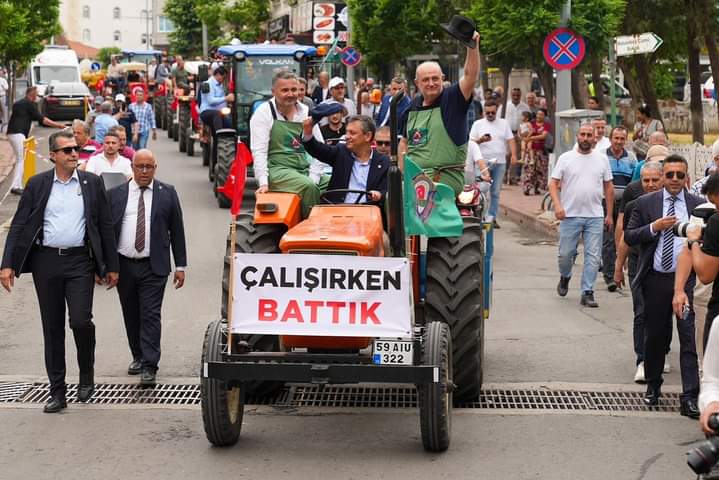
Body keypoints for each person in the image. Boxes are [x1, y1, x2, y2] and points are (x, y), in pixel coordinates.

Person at [0, 130, 119, 413]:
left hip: (80, 262)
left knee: (80, 321)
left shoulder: (91, 183)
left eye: (76, 149)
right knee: (52, 327)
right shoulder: (38, 184)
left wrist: (112, 266)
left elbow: (105, 226)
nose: (74, 154)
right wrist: (7, 264)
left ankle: (86, 373)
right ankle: (57, 391)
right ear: (53, 155)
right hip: (46, 262)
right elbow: (19, 224)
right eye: (67, 150)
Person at [624, 154, 701, 417]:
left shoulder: (697, 205)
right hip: (656, 279)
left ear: (687, 177)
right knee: (656, 336)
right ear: (663, 177)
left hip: (687, 282)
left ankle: (690, 396)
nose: (675, 179)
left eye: (680, 175)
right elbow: (629, 236)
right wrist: (654, 227)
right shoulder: (645, 203)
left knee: (688, 337)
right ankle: (653, 385)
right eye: (670, 175)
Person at [109, 150, 187, 386]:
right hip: (124, 265)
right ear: (132, 167)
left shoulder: (167, 193)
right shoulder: (116, 194)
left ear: (155, 168)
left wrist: (180, 265)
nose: (144, 171)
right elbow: (106, 231)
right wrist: (104, 266)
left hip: (154, 266)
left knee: (150, 314)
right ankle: (138, 356)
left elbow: (177, 230)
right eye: (140, 166)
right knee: (131, 313)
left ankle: (150, 365)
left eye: (148, 167)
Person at [398, 31, 480, 216]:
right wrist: (402, 176)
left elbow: (470, 76)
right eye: (426, 80)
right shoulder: (411, 108)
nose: (431, 83)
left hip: (443, 182)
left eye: (435, 78)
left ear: (442, 79)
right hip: (414, 181)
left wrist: (472, 46)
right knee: (389, 201)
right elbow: (404, 143)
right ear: (417, 83)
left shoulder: (452, 99)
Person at [550, 123, 614, 308]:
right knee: (565, 254)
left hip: (595, 215)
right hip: (570, 215)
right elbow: (553, 183)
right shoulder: (566, 158)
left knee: (593, 256)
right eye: (583, 134)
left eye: (589, 135)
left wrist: (609, 214)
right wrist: (558, 206)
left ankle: (587, 291)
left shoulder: (601, 159)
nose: (586, 138)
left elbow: (608, 187)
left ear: (594, 138)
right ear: (577, 136)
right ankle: (565, 276)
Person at [250, 70, 327, 218]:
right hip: (277, 170)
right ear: (273, 91)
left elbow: (320, 149)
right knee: (308, 187)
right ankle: (310, 227)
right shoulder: (263, 113)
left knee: (338, 182)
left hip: (303, 168)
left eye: (294, 90)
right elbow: (259, 151)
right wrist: (263, 183)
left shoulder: (306, 112)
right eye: (285, 90)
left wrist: (314, 175)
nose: (290, 94)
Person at [614, 161, 664, 383]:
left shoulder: (672, 205)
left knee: (662, 313)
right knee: (641, 311)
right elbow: (626, 237)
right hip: (638, 262)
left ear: (663, 180)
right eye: (646, 180)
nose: (651, 184)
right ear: (640, 181)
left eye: (655, 180)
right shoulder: (635, 205)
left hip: (664, 264)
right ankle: (642, 361)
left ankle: (660, 352)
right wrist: (618, 266)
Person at [302, 115, 388, 205]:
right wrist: (308, 133)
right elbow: (318, 150)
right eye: (346, 132)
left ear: (368, 136)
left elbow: (386, 190)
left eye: (352, 133)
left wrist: (379, 194)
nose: (347, 136)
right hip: (336, 208)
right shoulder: (341, 152)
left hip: (368, 210)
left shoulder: (384, 162)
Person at [6, 86, 66, 195]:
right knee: (21, 159)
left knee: (20, 158)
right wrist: (58, 125)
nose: (37, 96)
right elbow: (42, 119)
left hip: (11, 133)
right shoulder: (30, 104)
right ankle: (15, 186)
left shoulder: (19, 103)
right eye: (36, 94)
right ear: (32, 94)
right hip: (18, 133)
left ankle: (16, 185)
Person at [602, 125, 638, 291]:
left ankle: (624, 268)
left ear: (626, 140)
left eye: (622, 138)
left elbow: (635, 180)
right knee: (608, 238)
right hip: (605, 202)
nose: (618, 141)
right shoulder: (601, 156)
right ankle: (609, 276)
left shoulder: (631, 158)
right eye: (616, 138)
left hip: (626, 204)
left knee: (625, 237)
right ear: (610, 139)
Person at [199, 66, 235, 168]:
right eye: (223, 77)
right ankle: (220, 136)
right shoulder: (207, 84)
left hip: (220, 114)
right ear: (218, 75)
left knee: (230, 125)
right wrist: (226, 98)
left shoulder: (220, 85)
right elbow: (211, 101)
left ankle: (217, 162)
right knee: (217, 115)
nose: (223, 79)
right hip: (207, 112)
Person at [499, 88, 530, 184]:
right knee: (507, 155)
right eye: (514, 95)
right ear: (511, 95)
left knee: (518, 156)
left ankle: (513, 177)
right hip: (508, 134)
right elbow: (499, 119)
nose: (516, 97)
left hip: (521, 135)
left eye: (518, 95)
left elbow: (529, 121)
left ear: (520, 95)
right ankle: (503, 175)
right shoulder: (505, 106)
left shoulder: (525, 107)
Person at [520, 108, 550, 197]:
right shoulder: (531, 123)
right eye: (538, 114)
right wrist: (523, 138)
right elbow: (523, 132)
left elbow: (543, 136)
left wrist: (531, 138)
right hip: (530, 151)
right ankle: (527, 188)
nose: (539, 116)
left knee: (540, 170)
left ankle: (537, 188)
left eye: (541, 114)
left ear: (545, 116)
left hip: (541, 151)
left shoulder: (546, 125)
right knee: (529, 169)